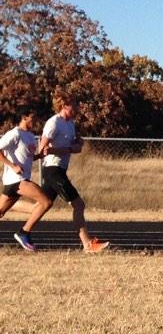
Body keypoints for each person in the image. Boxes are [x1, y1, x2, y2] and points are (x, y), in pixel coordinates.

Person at [36, 94, 109, 252]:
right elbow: (42, 150)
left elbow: (75, 143)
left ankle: (6, 210)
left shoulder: (70, 124)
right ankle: (87, 244)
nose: (77, 108)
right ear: (64, 106)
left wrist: (78, 143)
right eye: (74, 105)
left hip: (60, 169)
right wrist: (68, 149)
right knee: (79, 204)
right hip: (52, 170)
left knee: (40, 205)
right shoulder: (53, 123)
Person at [0, 108, 53, 252]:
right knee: (46, 201)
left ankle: (24, 233)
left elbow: (28, 157)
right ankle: (24, 233)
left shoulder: (30, 136)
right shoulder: (14, 133)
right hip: (16, 179)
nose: (35, 121)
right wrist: (13, 166)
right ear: (24, 117)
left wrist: (40, 156)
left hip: (20, 179)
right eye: (33, 118)